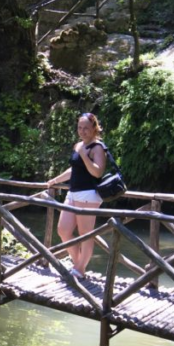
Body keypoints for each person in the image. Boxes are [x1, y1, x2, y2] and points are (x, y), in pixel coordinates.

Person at [45, 112, 107, 279]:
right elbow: (74, 169)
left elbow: (97, 171)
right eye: (79, 128)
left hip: (88, 195)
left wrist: (83, 155)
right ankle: (78, 263)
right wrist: (55, 180)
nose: (82, 131)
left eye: (86, 128)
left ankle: (79, 270)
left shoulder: (97, 147)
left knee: (85, 233)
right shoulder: (79, 145)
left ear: (94, 128)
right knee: (63, 230)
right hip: (73, 193)